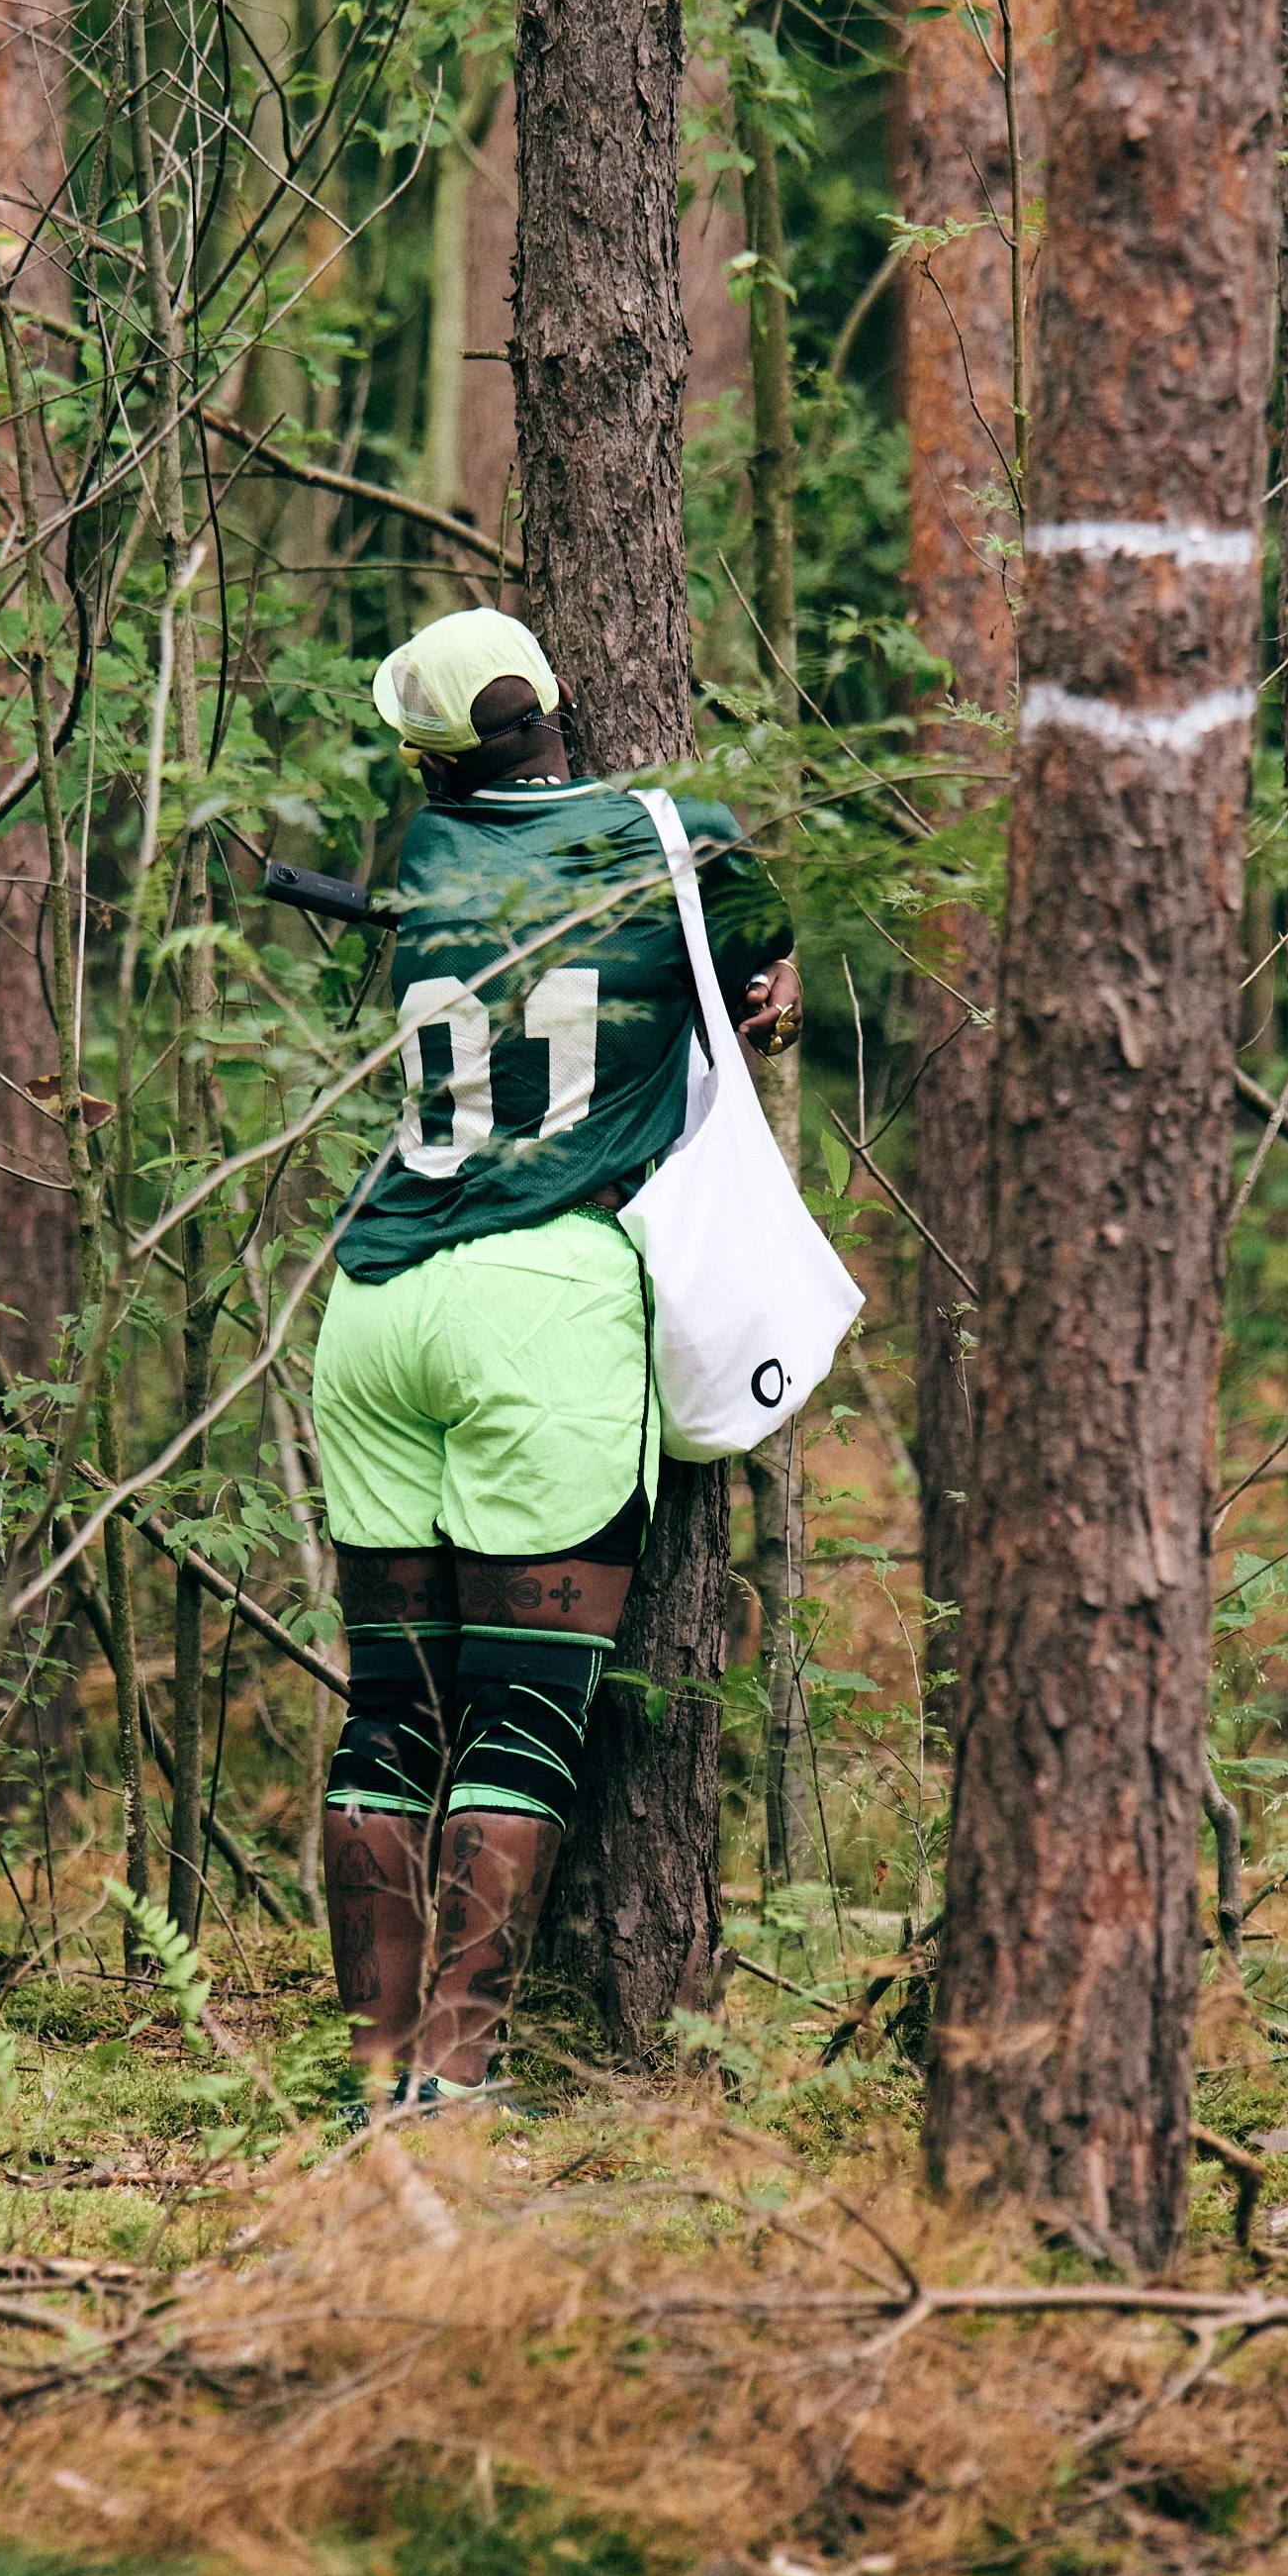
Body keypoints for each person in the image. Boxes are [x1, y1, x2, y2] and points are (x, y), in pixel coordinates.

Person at [310, 608, 801, 2106]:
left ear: (429, 757)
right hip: (545, 1296)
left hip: (378, 1298)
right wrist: (770, 985)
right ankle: (453, 2086)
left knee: (392, 1707)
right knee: (523, 1714)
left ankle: (376, 2080)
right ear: (562, 699)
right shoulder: (683, 836)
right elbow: (760, 960)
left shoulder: (417, 854)